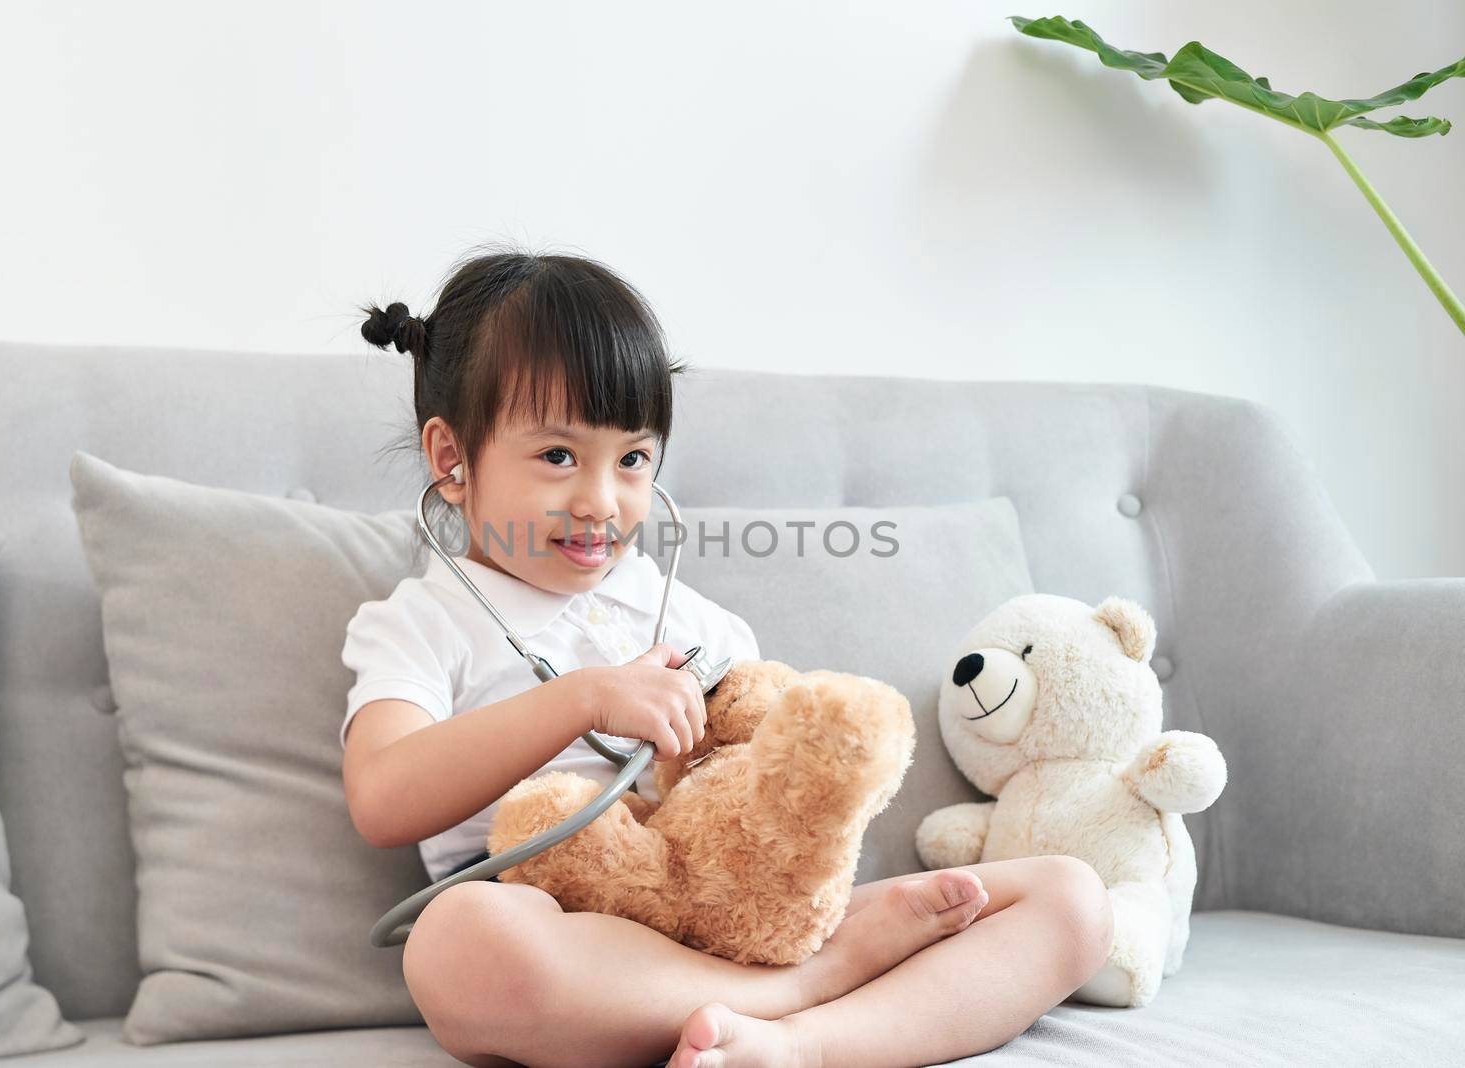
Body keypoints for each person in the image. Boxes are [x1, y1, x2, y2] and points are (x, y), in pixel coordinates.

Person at [339, 243, 1113, 1068]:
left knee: (1072, 900)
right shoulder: (421, 622)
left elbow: (764, 787)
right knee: (454, 943)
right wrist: (580, 699)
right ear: (452, 460)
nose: (602, 500)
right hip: (557, 928)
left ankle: (800, 1048)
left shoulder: (692, 616)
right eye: (559, 456)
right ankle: (804, 996)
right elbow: (384, 797)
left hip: (720, 905)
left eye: (632, 458)